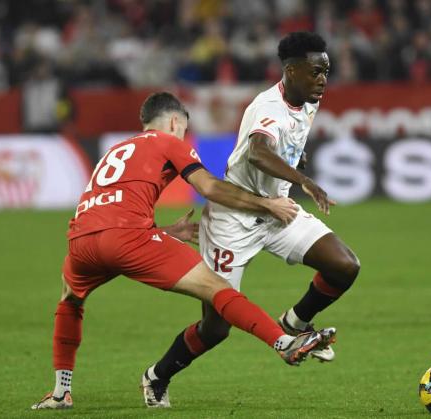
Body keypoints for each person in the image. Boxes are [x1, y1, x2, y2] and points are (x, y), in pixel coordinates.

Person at [31, 92, 336, 410]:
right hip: (128, 239)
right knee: (217, 288)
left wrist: (161, 233)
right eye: (183, 129)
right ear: (175, 122)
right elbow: (210, 188)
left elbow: (109, 213)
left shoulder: (114, 150)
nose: (183, 135)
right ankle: (284, 342)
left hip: (81, 241)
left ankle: (60, 391)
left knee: (69, 301)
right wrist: (267, 204)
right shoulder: (169, 142)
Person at [139, 32, 360, 405]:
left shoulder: (307, 99)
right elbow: (258, 152)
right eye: (316, 72)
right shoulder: (267, 107)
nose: (323, 79)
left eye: (326, 71)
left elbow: (281, 146)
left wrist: (294, 159)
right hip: (234, 220)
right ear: (290, 71)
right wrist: (305, 179)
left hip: (278, 210)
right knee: (215, 328)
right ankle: (157, 376)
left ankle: (295, 322)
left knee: (344, 265)